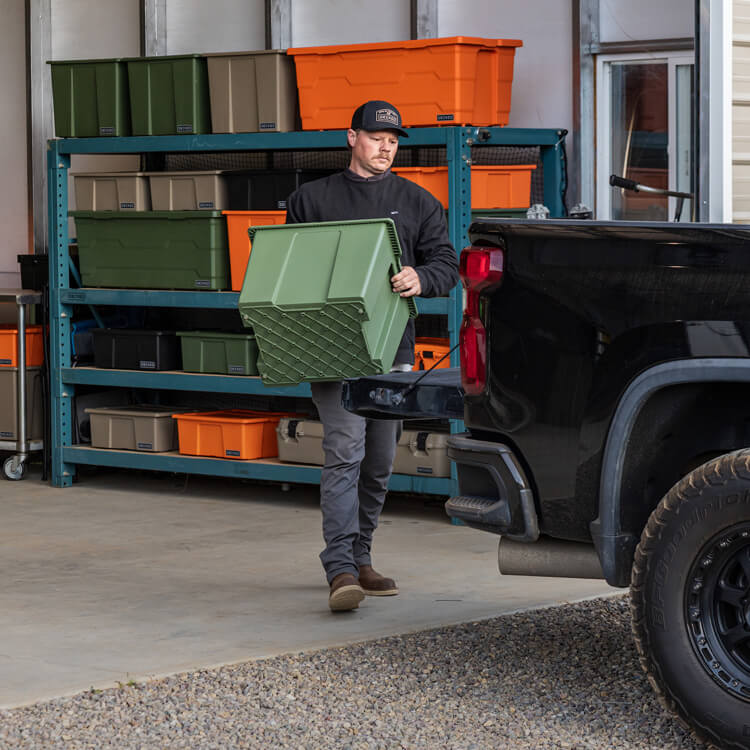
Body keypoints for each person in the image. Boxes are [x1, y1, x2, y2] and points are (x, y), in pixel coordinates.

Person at [285, 100, 459, 612]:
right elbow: (288, 268)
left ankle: (361, 557)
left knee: (380, 461)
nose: (386, 146)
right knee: (345, 452)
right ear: (351, 137)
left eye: (394, 140)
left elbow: (447, 263)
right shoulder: (310, 200)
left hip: (392, 351)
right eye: (377, 137)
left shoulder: (418, 201)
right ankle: (338, 568)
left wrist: (420, 278)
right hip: (330, 348)